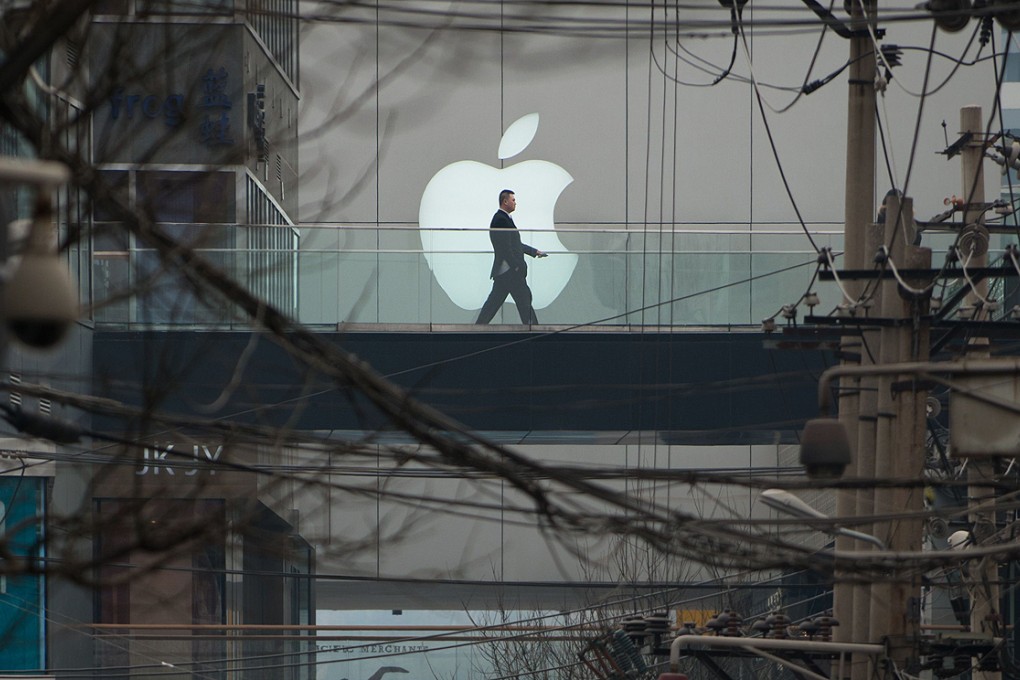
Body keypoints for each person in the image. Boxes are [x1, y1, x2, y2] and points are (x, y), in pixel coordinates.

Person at [475, 189, 547, 325]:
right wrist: (517, 266)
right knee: (523, 299)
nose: (515, 203)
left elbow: (514, 244)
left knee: (496, 302)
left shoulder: (503, 219)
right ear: (505, 201)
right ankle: (534, 330)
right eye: (513, 200)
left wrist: (533, 251)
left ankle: (479, 326)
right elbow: (505, 248)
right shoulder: (501, 220)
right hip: (509, 271)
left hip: (505, 272)